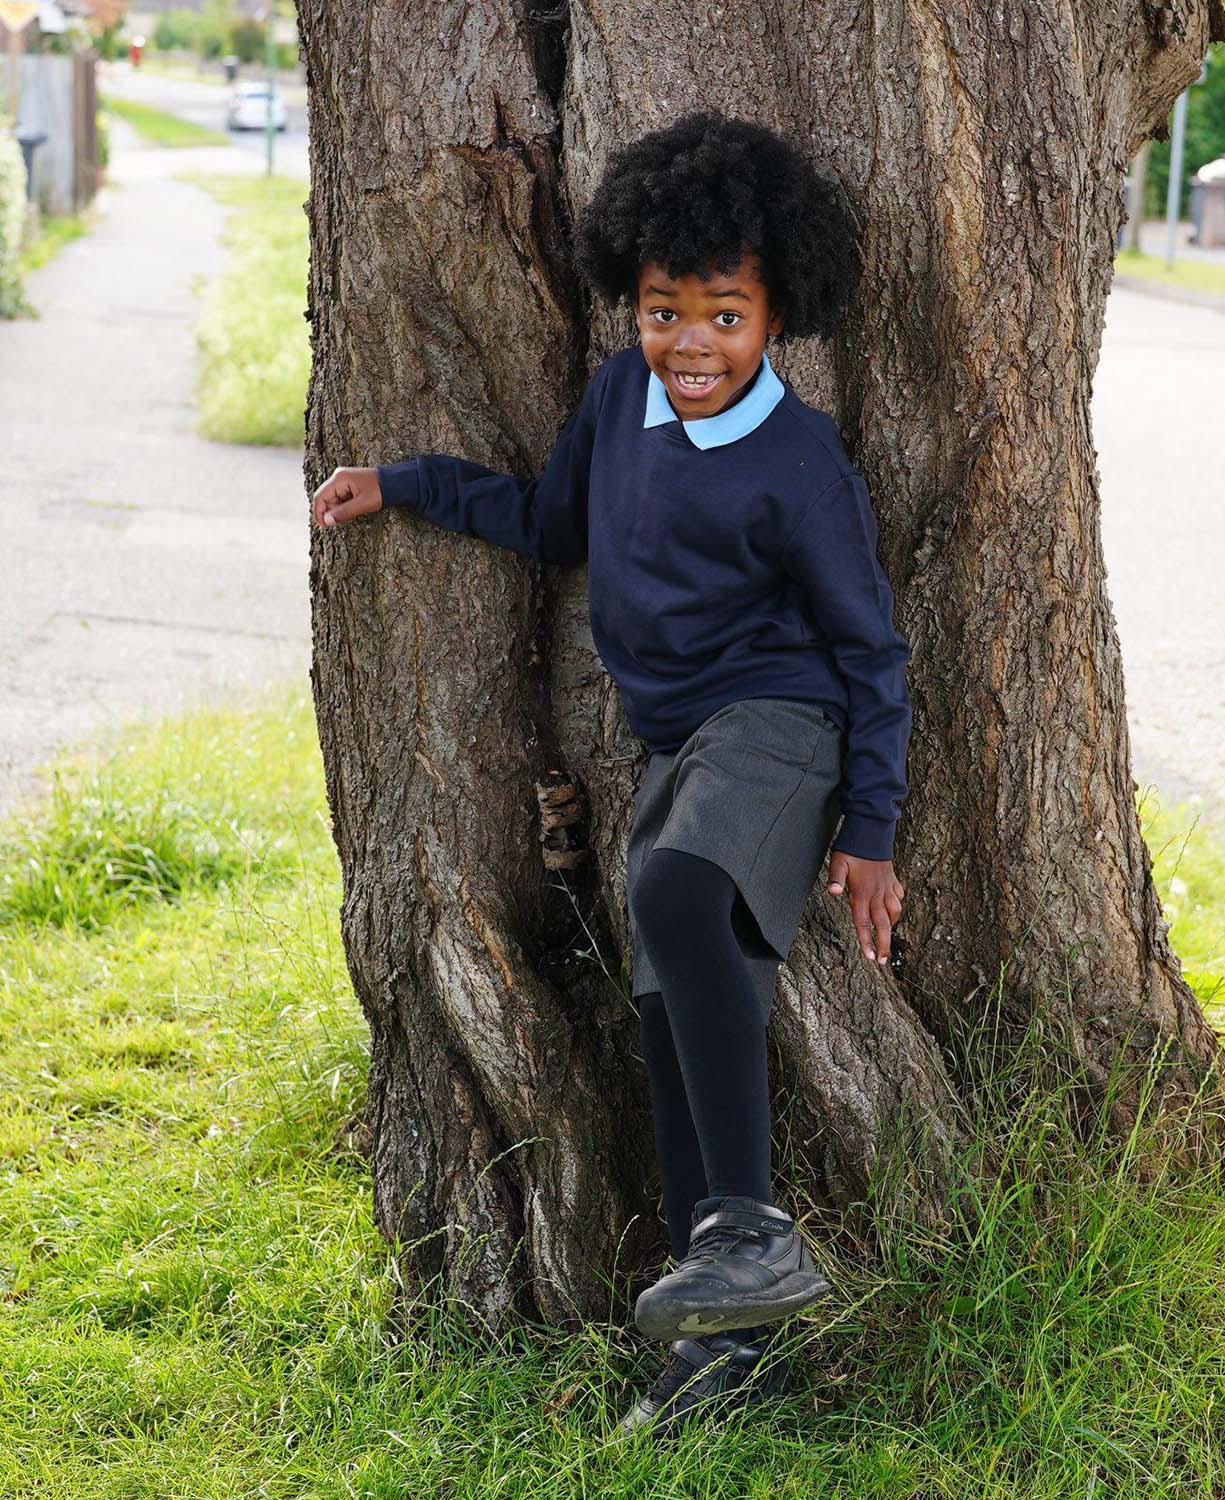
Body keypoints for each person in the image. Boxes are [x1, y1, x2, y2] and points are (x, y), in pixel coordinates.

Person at [310, 108, 912, 1439]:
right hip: (674, 742)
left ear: (775, 320)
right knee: (671, 1019)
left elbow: (872, 654)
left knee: (684, 892)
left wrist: (870, 829)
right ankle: (723, 1353)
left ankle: (753, 1233)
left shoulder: (801, 469)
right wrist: (402, 480)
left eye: (724, 319)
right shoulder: (620, 399)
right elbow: (549, 520)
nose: (690, 345)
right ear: (632, 306)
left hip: (780, 720)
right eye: (662, 313)